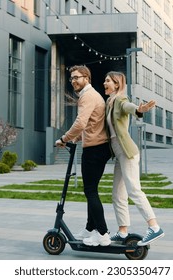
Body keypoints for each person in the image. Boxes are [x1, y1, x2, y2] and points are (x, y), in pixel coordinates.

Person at [103, 71, 164, 246]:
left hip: (127, 152)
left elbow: (128, 106)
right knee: (117, 194)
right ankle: (123, 232)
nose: (104, 83)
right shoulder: (110, 101)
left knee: (133, 190)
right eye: (105, 80)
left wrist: (139, 109)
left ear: (117, 84)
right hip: (119, 153)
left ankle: (154, 227)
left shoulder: (121, 99)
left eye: (108, 81)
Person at [55, 65, 112, 246]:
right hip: (96, 147)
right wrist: (78, 138)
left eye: (77, 77)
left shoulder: (87, 96)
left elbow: (80, 123)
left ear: (86, 78)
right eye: (71, 78)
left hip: (95, 149)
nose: (73, 81)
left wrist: (64, 138)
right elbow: (91, 124)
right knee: (91, 189)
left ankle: (102, 233)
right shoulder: (92, 95)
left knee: (90, 191)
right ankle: (90, 228)